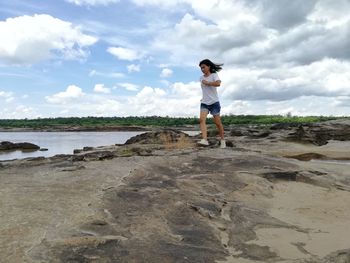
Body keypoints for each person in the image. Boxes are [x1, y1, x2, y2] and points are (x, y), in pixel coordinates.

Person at [197, 59, 226, 148]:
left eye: (203, 67)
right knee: (201, 120)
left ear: (209, 66)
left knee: (217, 123)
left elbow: (218, 84)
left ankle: (222, 140)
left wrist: (208, 82)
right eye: (201, 68)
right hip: (204, 102)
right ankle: (205, 140)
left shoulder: (214, 75)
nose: (202, 69)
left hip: (214, 103)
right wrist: (203, 98)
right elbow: (205, 90)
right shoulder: (201, 78)